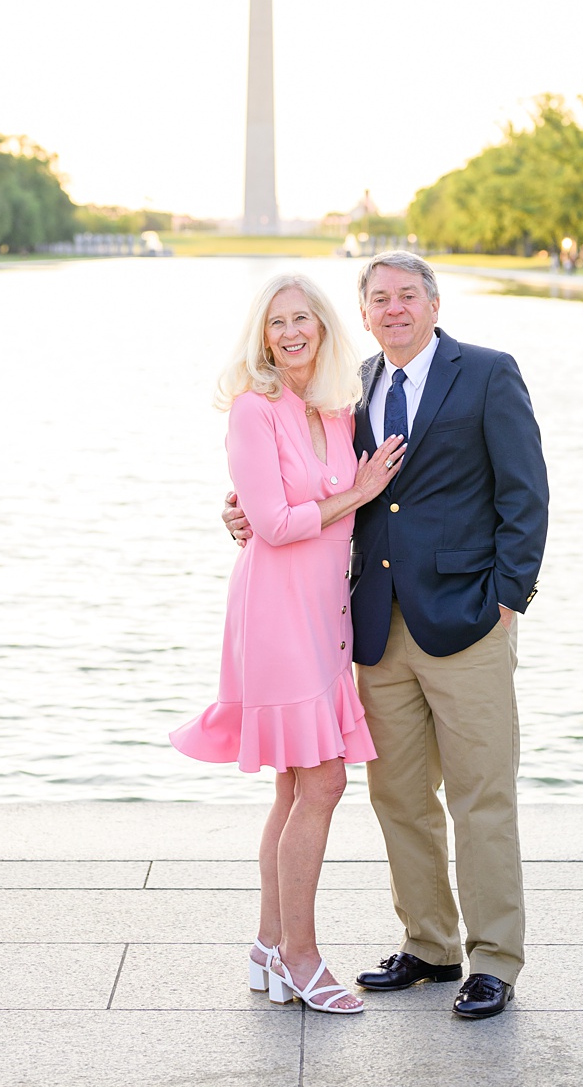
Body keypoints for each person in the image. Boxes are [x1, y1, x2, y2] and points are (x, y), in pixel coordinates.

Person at [223, 251, 549, 1021]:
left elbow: (525, 492)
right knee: (398, 796)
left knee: (481, 795)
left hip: (468, 620)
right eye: (380, 299)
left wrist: (509, 597)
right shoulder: (350, 386)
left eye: (408, 295)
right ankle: (429, 944)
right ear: (363, 313)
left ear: (434, 303)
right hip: (370, 627)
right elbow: (303, 483)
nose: (394, 309)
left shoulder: (489, 373)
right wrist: (239, 510)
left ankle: (493, 959)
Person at [172, 274, 407, 1015]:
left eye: (303, 318)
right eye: (278, 323)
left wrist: (353, 498)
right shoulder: (254, 408)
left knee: (297, 785)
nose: (292, 332)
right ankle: (302, 958)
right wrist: (356, 495)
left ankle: (269, 947)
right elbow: (271, 523)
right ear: (263, 336)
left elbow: (322, 510)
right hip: (276, 612)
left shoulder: (335, 411)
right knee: (326, 782)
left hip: (326, 611)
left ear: (325, 327)